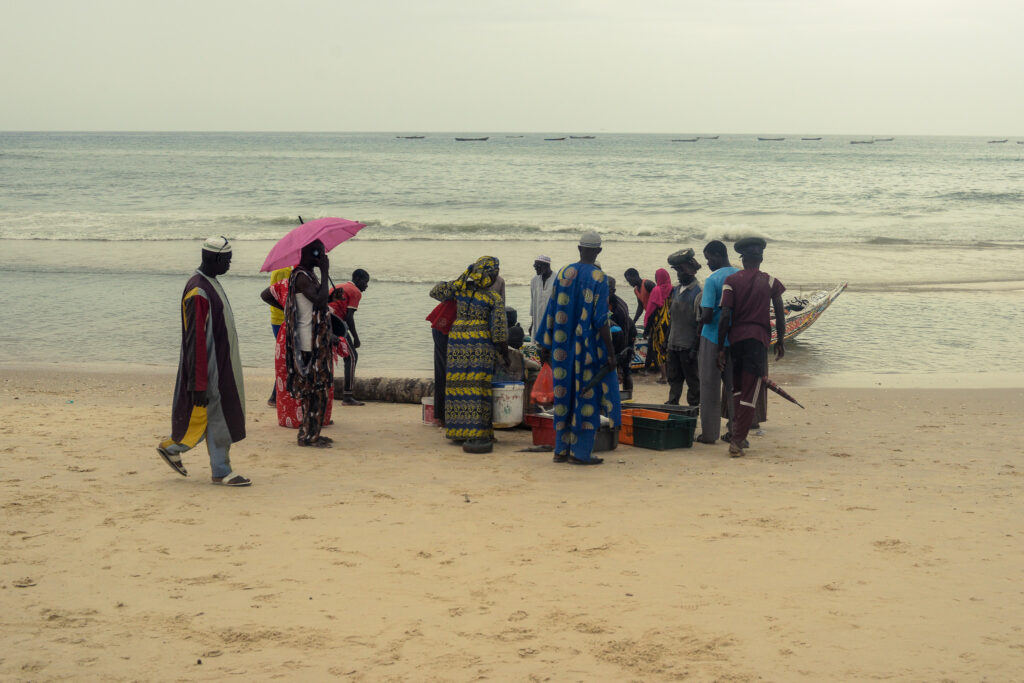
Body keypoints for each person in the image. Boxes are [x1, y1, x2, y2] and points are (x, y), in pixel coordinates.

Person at [156, 237, 250, 486]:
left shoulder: (210, 284)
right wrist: (197, 382)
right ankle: (217, 468)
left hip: (221, 363)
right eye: (227, 260)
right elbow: (195, 339)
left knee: (217, 417)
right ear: (214, 258)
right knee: (215, 417)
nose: (230, 265)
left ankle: (182, 452)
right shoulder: (199, 290)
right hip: (211, 367)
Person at [537, 232, 621, 465]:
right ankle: (581, 453)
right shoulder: (599, 277)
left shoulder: (564, 272)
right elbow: (601, 320)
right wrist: (611, 354)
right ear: (599, 251)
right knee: (586, 398)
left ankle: (560, 450)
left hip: (561, 347)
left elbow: (551, 309)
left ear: (578, 248)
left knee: (564, 396)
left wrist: (546, 342)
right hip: (586, 350)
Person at [430, 257, 509, 453]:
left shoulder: (460, 291)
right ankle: (478, 433)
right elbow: (499, 331)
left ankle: (458, 432)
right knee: (478, 387)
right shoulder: (493, 299)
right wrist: (505, 355)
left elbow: (435, 291)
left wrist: (462, 278)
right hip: (480, 342)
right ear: (488, 275)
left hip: (457, 340)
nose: (495, 277)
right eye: (494, 274)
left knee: (458, 384)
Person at [717, 237, 786, 457]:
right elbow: (780, 313)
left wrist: (720, 347)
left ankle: (739, 435)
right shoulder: (770, 281)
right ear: (761, 257)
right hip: (757, 341)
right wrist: (781, 340)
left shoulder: (731, 280)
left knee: (737, 390)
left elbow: (725, 315)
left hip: (736, 340)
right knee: (750, 392)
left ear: (743, 258)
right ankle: (737, 441)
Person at [286, 240, 335, 447]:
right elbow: (320, 300)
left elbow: (319, 302)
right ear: (308, 253)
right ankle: (309, 436)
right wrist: (325, 272)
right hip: (309, 342)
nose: (321, 255)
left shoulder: (307, 275)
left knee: (317, 390)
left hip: (316, 339)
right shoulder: (301, 277)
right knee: (315, 390)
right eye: (318, 251)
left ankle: (311, 432)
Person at [695, 240, 739, 444]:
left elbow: (707, 315)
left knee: (709, 387)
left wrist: (697, 322)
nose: (708, 263)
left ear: (717, 255)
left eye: (709, 258)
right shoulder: (740, 276)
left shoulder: (713, 280)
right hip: (736, 340)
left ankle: (710, 434)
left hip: (712, 337)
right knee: (733, 388)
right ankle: (736, 431)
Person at [664, 249, 703, 406]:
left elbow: (700, 324)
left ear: (690, 272)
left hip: (688, 347)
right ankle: (673, 405)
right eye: (677, 271)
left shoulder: (698, 293)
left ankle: (693, 410)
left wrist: (695, 349)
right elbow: (672, 319)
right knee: (674, 379)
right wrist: (666, 340)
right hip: (673, 344)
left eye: (681, 271)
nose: (679, 275)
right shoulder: (675, 291)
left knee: (693, 383)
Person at [330, 269, 370, 406]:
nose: (366, 286)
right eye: (365, 282)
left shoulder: (342, 286)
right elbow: (349, 318)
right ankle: (347, 396)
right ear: (358, 279)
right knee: (352, 356)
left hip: (323, 321)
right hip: (336, 322)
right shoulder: (355, 292)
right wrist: (356, 338)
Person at [425, 292, 457, 428]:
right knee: (444, 370)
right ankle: (442, 416)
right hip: (443, 326)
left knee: (446, 370)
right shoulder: (466, 289)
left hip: (446, 325)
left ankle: (444, 415)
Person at [265, 267, 292, 407]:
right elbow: (284, 295)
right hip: (281, 319)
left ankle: (277, 395)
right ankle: (275, 396)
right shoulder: (284, 271)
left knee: (288, 357)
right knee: (287, 358)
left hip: (279, 318)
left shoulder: (284, 269)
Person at [607, 275, 636, 395]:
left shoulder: (617, 308)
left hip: (625, 339)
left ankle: (627, 396)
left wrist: (621, 354)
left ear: (612, 290)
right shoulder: (610, 301)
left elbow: (623, 332)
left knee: (625, 370)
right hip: (621, 336)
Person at [644, 268, 673, 384]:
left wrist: (646, 329)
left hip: (659, 325)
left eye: (656, 277)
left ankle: (664, 377)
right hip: (670, 323)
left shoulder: (656, 290)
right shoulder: (673, 289)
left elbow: (651, 311)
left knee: (659, 350)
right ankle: (671, 375)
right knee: (669, 349)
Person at [529, 255, 555, 339]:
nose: (535, 268)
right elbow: (533, 303)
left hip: (551, 321)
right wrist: (532, 324)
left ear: (546, 266)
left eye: (538, 266)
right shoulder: (534, 281)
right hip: (537, 320)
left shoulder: (556, 280)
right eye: (534, 266)